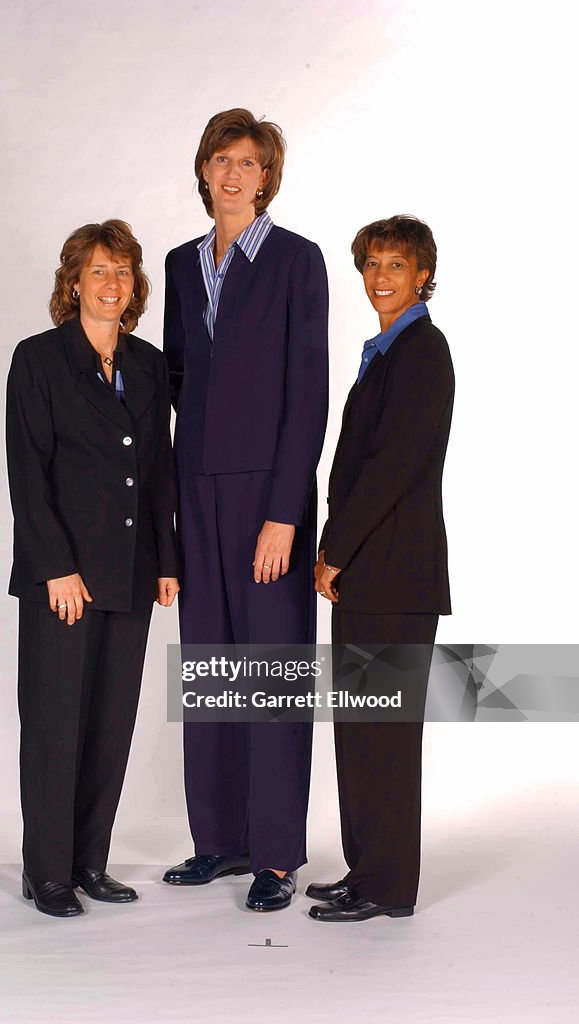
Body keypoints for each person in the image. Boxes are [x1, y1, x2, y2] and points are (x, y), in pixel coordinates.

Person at [162, 109, 329, 911]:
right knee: (212, 671)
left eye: (247, 162)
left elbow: (308, 395)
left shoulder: (298, 262)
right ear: (202, 171)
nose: (231, 174)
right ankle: (219, 842)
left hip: (268, 496)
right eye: (219, 159)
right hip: (196, 493)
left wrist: (285, 512)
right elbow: (176, 394)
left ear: (266, 176)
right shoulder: (180, 265)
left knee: (268, 675)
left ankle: (274, 856)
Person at [6, 220, 179, 917]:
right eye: (99, 271)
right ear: (73, 282)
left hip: (131, 573)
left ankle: (88, 862)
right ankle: (46, 871)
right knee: (55, 724)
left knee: (110, 723)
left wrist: (168, 562)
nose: (113, 284)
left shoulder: (147, 363)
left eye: (123, 271)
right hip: (64, 580)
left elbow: (160, 469)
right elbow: (28, 472)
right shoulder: (38, 360)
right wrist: (55, 568)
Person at [306, 215, 454, 923]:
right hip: (369, 572)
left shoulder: (422, 351)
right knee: (359, 730)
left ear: (422, 273)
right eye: (370, 264)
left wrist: (333, 548)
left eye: (395, 265)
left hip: (394, 573)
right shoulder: (385, 351)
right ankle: (363, 869)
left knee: (385, 740)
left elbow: (391, 467)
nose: (380, 278)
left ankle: (388, 886)